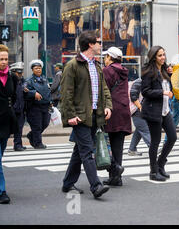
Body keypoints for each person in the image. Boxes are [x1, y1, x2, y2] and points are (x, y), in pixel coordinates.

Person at [60, 31, 111, 199]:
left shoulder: (96, 65)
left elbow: (104, 89)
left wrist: (108, 106)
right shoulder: (73, 65)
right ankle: (96, 186)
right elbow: (66, 93)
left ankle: (68, 183)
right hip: (80, 117)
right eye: (98, 42)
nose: (100, 44)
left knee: (79, 151)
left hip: (95, 116)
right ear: (90, 44)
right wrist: (70, 115)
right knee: (87, 151)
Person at [141, 46, 178, 181]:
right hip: (153, 110)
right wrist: (162, 93)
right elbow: (145, 91)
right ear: (153, 57)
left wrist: (171, 78)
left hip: (165, 110)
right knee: (155, 142)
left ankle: (161, 163)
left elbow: (169, 87)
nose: (163, 58)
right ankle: (153, 171)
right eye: (159, 55)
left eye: (164, 55)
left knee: (173, 137)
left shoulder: (164, 70)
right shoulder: (148, 72)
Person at [102, 47, 132, 186]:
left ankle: (115, 169)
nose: (104, 59)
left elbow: (103, 91)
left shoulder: (107, 71)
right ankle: (116, 178)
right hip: (124, 110)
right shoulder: (124, 71)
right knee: (118, 146)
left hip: (111, 110)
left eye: (105, 56)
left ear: (109, 57)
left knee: (107, 144)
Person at [0, 45, 19, 204]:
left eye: (6, 59)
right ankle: (2, 191)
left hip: (6, 123)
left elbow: (13, 98)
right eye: (1, 59)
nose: (4, 62)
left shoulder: (13, 77)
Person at [24, 59, 52, 149]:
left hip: (45, 106)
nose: (38, 70)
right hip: (34, 107)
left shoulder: (44, 79)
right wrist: (33, 93)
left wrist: (50, 102)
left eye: (39, 68)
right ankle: (38, 143)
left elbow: (48, 91)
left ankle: (31, 135)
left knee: (45, 123)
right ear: (32, 70)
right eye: (36, 68)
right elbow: (23, 91)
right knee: (37, 126)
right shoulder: (29, 80)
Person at [128, 77, 151, 156]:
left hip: (140, 108)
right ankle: (153, 147)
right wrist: (140, 107)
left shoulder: (147, 80)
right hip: (137, 109)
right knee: (145, 130)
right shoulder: (140, 81)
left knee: (139, 130)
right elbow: (133, 96)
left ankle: (132, 149)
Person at [10, 62, 27, 151]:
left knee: (19, 128)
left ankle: (18, 144)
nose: (20, 74)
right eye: (18, 72)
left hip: (20, 109)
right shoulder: (10, 81)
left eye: (21, 72)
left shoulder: (23, 82)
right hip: (11, 109)